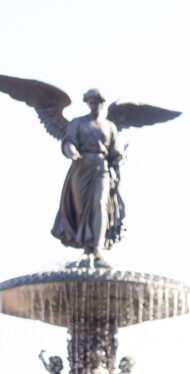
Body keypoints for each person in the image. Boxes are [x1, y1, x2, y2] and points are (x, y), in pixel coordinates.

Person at [51, 88, 125, 266]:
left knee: (99, 204)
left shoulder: (110, 127)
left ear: (102, 103)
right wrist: (71, 151)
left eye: (97, 102)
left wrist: (119, 175)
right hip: (81, 168)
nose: (94, 105)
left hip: (101, 170)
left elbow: (115, 153)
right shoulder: (77, 123)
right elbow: (69, 141)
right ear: (87, 103)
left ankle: (97, 249)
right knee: (81, 209)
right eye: (90, 102)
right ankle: (86, 249)